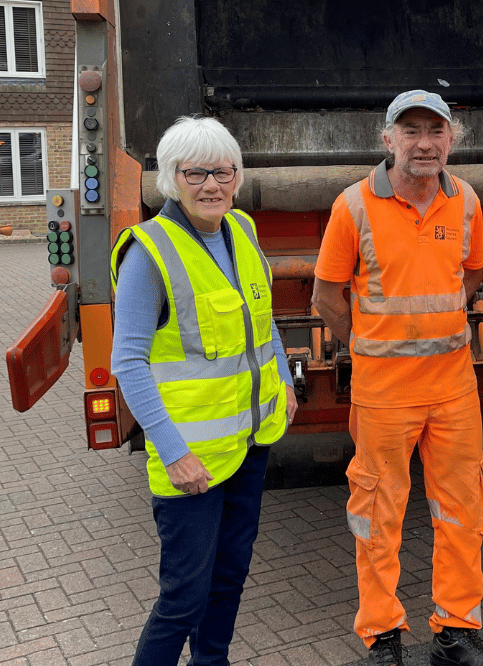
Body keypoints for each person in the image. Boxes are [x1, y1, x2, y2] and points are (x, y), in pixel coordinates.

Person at [312, 90, 483, 666]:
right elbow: (327, 296)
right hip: (383, 396)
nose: (424, 143)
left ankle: (454, 629)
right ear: (387, 139)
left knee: (463, 509)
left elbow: (471, 276)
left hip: (452, 389)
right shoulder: (352, 206)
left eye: (436, 131)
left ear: (453, 139)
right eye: (411, 131)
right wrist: (370, 348)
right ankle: (382, 634)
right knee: (378, 516)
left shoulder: (466, 200)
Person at [110, 116, 298, 666]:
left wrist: (283, 380)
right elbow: (128, 362)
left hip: (248, 446)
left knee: (230, 577)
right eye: (195, 173)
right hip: (189, 464)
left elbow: (261, 324)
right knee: (182, 598)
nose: (212, 184)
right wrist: (173, 452)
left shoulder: (241, 229)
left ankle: (211, 662)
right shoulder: (150, 252)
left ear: (236, 176)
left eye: (223, 171)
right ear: (171, 178)